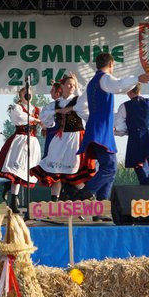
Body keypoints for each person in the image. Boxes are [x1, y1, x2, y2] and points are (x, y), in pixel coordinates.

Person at [75, 52, 149, 221]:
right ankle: (84, 193)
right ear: (111, 64)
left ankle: (100, 209)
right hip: (102, 131)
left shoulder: (91, 84)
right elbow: (117, 85)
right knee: (110, 167)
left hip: (96, 129)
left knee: (107, 167)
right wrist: (138, 78)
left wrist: (94, 117)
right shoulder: (105, 79)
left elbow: (79, 107)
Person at [32, 73, 95, 201]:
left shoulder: (78, 101)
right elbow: (45, 120)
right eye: (69, 84)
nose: (71, 87)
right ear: (62, 86)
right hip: (60, 139)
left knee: (75, 172)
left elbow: (87, 110)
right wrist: (57, 111)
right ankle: (54, 201)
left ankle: (90, 198)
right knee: (55, 171)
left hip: (76, 138)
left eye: (73, 85)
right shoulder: (55, 104)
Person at [0, 87, 41, 213]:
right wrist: (37, 120)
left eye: (30, 93)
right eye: (24, 93)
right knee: (16, 171)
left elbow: (48, 121)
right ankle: (13, 201)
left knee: (25, 172)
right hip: (20, 141)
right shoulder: (17, 107)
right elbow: (20, 118)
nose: (28, 95)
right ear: (20, 96)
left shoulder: (37, 109)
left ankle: (12, 194)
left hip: (32, 142)